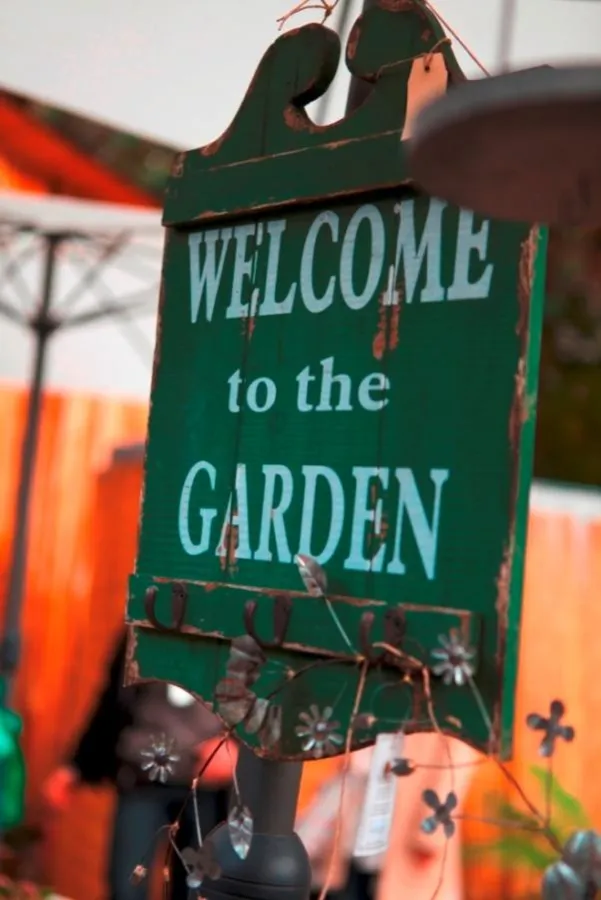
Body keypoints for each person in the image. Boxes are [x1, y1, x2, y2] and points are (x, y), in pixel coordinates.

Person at [43, 630, 234, 900]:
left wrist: (236, 750)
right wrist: (74, 768)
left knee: (194, 891)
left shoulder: (234, 626)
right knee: (126, 887)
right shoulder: (142, 623)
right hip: (142, 781)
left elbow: (257, 697)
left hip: (206, 788)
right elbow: (112, 701)